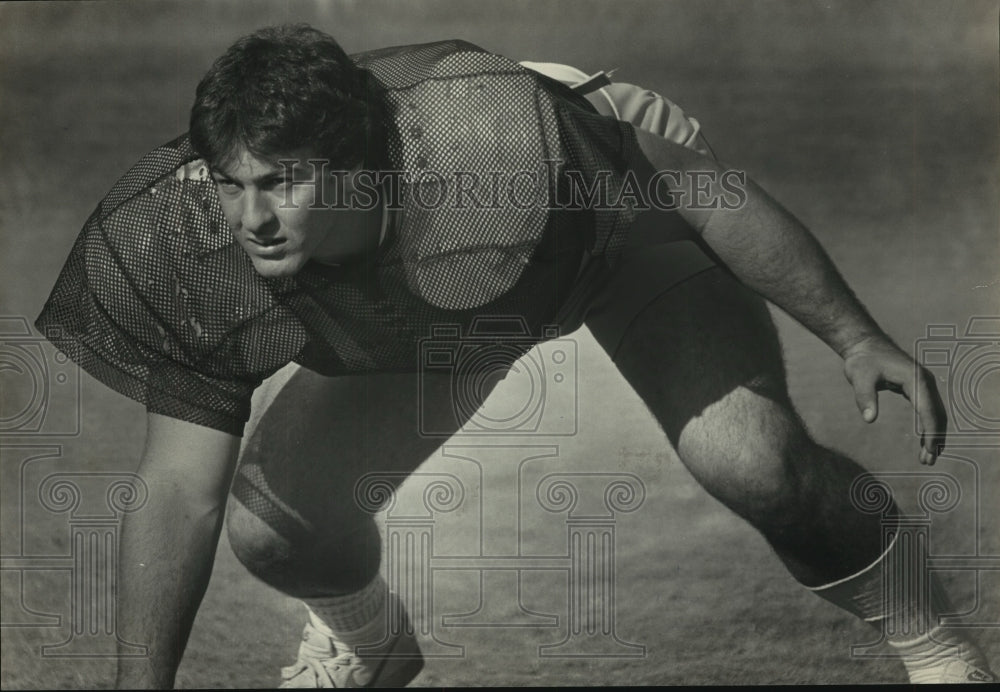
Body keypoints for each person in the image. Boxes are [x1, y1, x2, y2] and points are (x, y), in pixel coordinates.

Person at [34, 24, 994, 688]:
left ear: (357, 163)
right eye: (233, 184)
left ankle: (941, 650)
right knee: (275, 530)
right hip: (439, 293)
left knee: (757, 465)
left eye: (281, 183)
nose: (250, 217)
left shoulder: (500, 154)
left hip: (601, 238)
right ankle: (367, 646)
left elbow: (699, 191)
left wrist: (855, 334)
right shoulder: (192, 244)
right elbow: (175, 493)